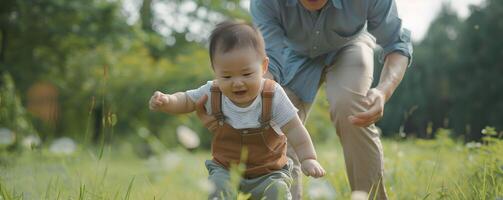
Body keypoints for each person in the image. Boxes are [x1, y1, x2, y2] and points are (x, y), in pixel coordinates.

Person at [248, 0, 413, 199]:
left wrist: (383, 91)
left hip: (351, 43)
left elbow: (396, 43)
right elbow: (269, 62)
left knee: (350, 108)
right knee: (275, 120)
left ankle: (369, 196)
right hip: (292, 52)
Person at [149, 21, 326, 200]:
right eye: (226, 76)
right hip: (226, 170)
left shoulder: (273, 95)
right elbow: (187, 100)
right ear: (215, 71)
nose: (237, 82)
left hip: (269, 172)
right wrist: (168, 101)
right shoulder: (213, 92)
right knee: (218, 189)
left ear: (263, 67)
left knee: (277, 191)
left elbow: (294, 129)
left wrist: (308, 158)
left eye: (247, 74)